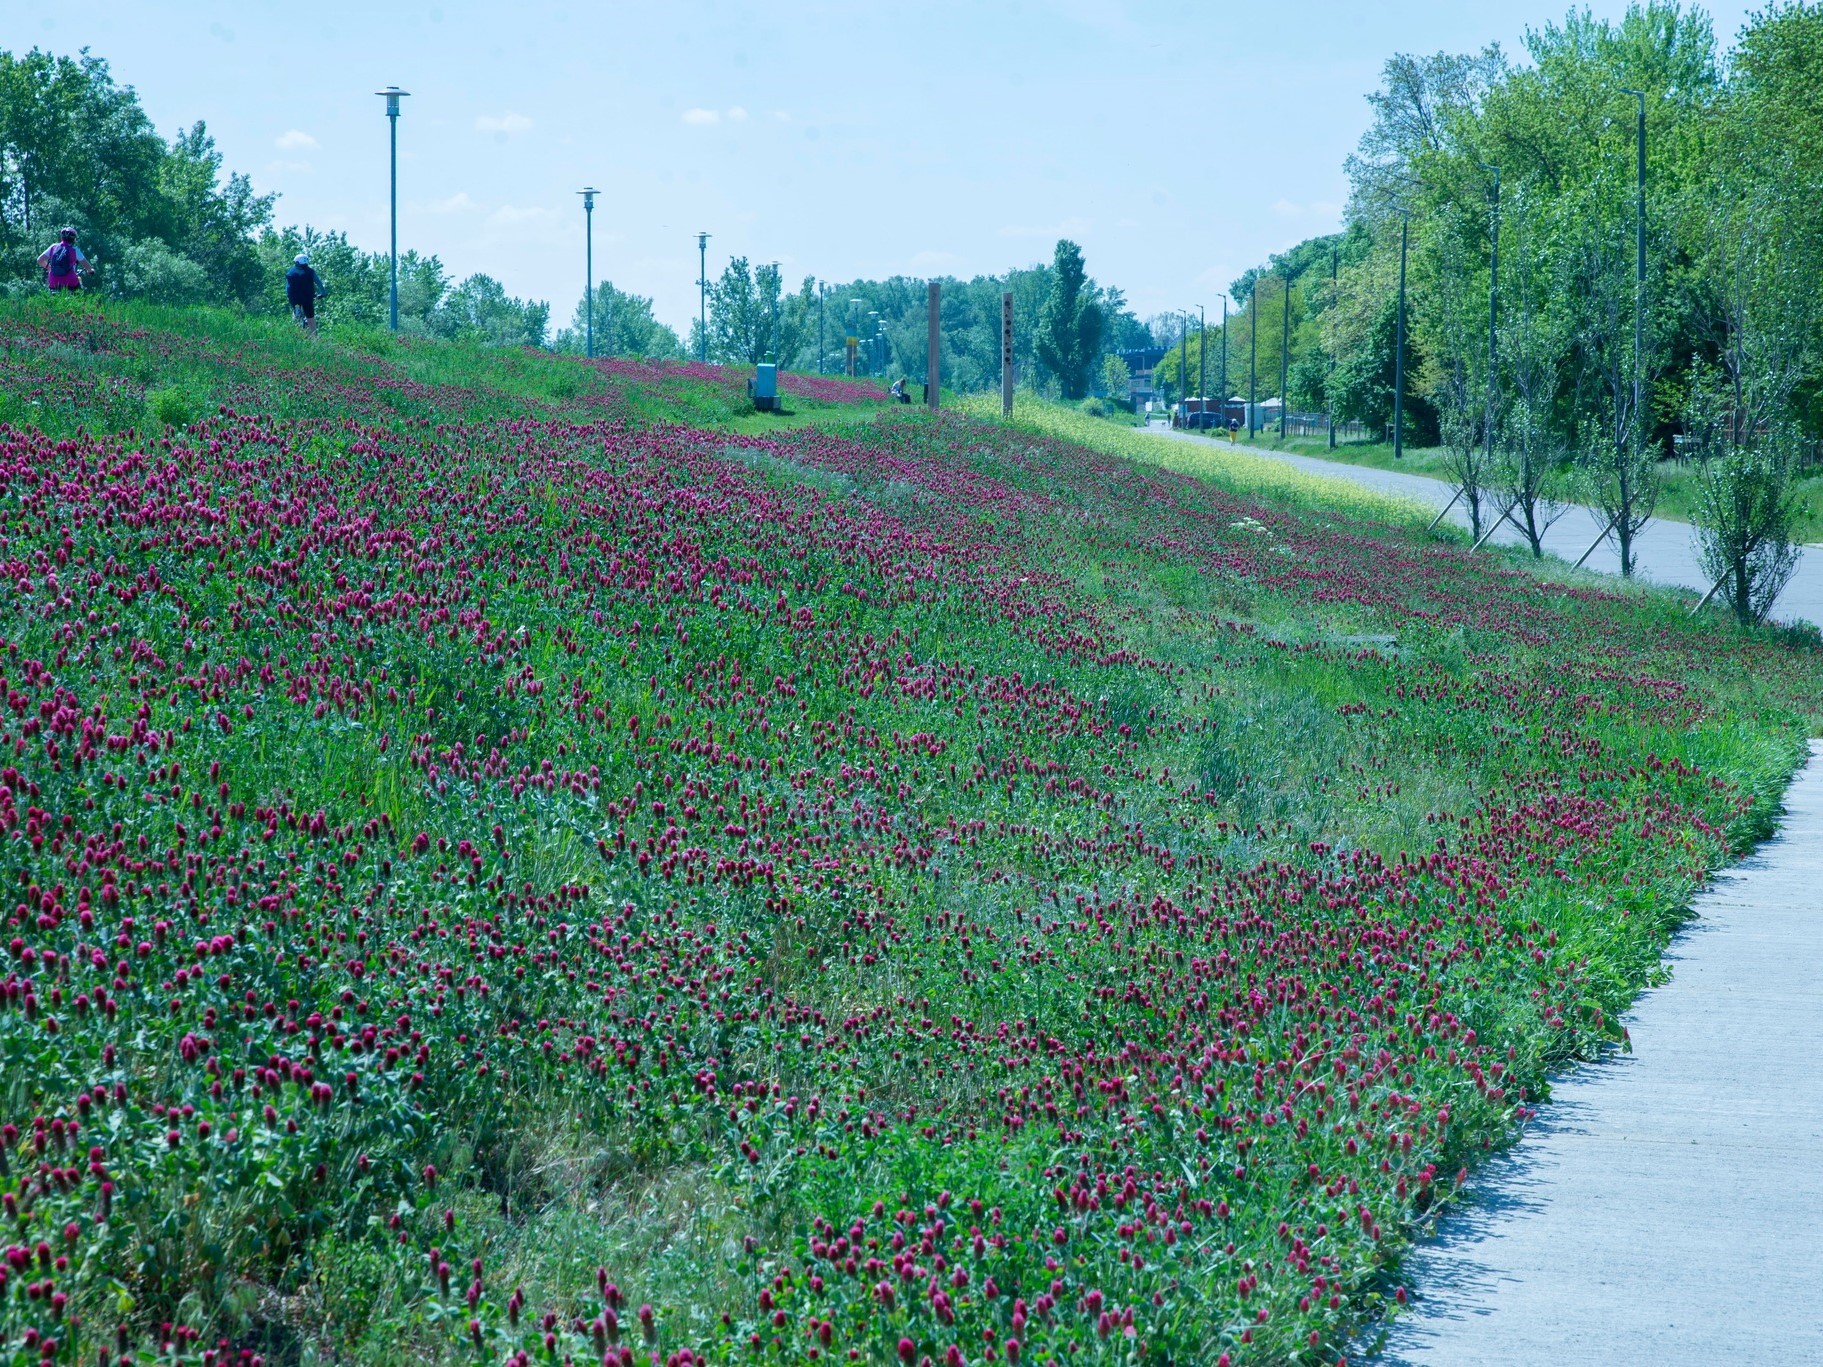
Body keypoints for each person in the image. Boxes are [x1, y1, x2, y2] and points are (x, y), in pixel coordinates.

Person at [37, 228, 92, 292]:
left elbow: (39, 260)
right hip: (70, 283)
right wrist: (90, 271)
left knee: (52, 296)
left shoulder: (53, 247)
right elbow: (87, 266)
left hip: (53, 283)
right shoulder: (75, 250)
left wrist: (49, 268)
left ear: (61, 237)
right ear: (73, 239)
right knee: (79, 290)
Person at [285, 253, 327, 336]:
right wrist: (323, 293)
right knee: (311, 318)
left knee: (297, 313)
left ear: (296, 262)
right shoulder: (311, 272)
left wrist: (289, 296)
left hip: (295, 299)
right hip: (307, 299)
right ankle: (314, 339)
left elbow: (288, 287)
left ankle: (297, 335)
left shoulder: (290, 272)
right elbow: (319, 282)